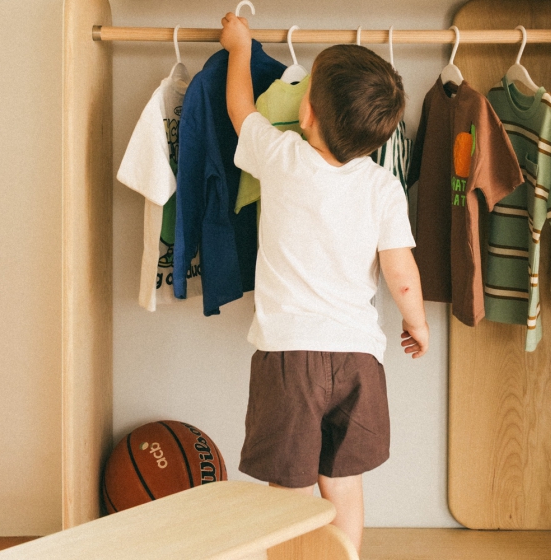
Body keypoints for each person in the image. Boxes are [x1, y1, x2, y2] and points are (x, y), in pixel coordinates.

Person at [219, 12, 429, 553]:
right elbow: (401, 272)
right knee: (344, 488)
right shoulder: (384, 187)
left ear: (305, 112)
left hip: (290, 356)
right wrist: (417, 324)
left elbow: (240, 111)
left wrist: (240, 48)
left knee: (286, 491)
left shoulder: (284, 157)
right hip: (359, 359)